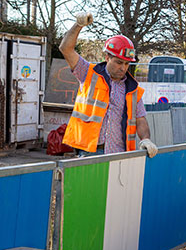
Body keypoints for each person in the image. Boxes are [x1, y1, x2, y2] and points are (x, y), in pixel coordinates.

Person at [59, 12, 158, 158]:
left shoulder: (133, 89)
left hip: (120, 152)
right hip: (90, 151)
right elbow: (65, 48)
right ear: (107, 58)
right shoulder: (88, 73)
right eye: (118, 62)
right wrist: (78, 25)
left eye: (126, 63)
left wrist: (146, 139)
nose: (123, 68)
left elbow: (140, 119)